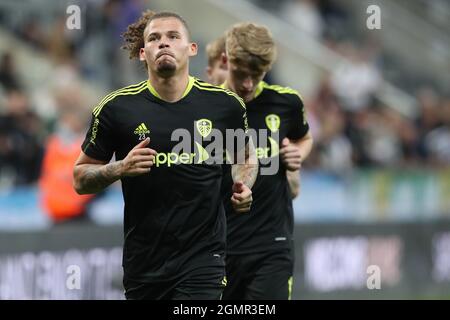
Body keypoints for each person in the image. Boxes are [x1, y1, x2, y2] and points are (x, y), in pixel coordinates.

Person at [73, 11, 257, 300]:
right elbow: (80, 179)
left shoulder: (225, 106)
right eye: (155, 39)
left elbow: (246, 156)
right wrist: (120, 168)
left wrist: (244, 185)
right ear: (143, 53)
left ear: (191, 48)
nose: (164, 44)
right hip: (144, 265)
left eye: (173, 37)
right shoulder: (116, 109)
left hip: (203, 261)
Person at [220, 22, 313, 300]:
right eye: (241, 74)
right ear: (226, 61)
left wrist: (298, 154)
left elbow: (303, 139)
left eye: (257, 75)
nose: (248, 84)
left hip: (272, 245)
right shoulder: (206, 105)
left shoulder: (286, 103)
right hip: (217, 247)